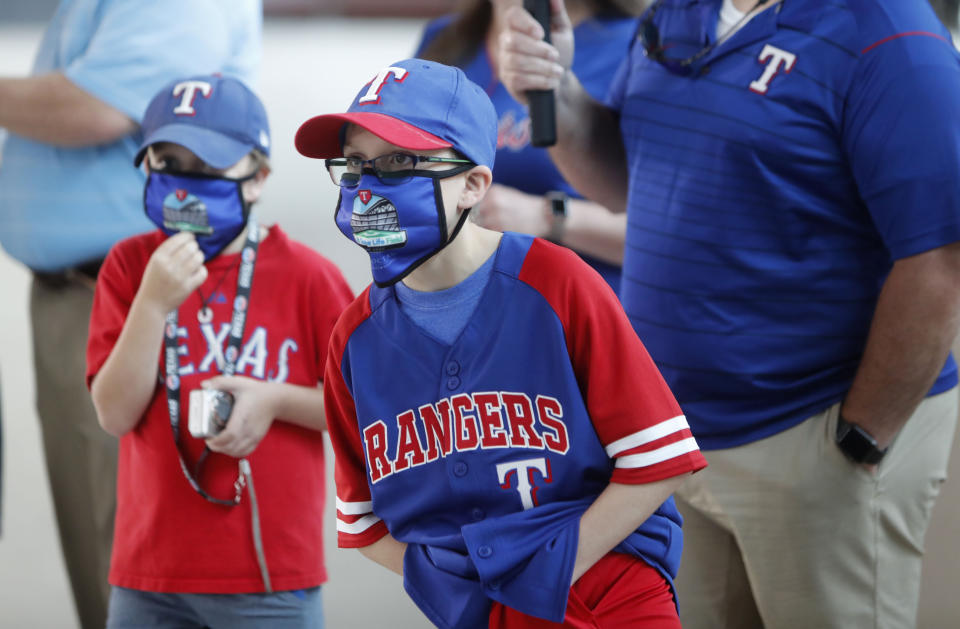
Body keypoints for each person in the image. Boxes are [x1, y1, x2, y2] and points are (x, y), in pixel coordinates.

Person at [495, 0, 960, 627]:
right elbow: (629, 181)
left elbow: (941, 253)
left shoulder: (888, 31)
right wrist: (557, 91)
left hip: (810, 426)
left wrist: (859, 436)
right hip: (675, 436)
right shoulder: (680, 13)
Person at [294, 58, 707, 628]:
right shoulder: (354, 338)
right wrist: (453, 589)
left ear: (472, 184)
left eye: (398, 163)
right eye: (356, 165)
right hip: (486, 613)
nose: (368, 188)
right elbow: (363, 523)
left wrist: (554, 569)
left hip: (610, 591)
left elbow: (658, 460)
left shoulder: (558, 282)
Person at [0, 2, 261, 627]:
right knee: (104, 561)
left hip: (137, 296)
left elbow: (96, 106)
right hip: (85, 291)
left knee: (134, 569)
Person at [85, 74, 353, 628]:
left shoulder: (309, 277)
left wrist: (275, 400)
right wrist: (152, 306)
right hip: (149, 577)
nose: (183, 186)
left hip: (270, 580)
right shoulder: (130, 267)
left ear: (257, 178)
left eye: (206, 169)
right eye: (167, 163)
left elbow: (361, 408)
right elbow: (113, 414)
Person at [415, 0, 643, 294]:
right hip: (462, 301)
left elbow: (670, 232)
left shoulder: (634, 44)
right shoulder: (444, 39)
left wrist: (548, 217)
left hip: (574, 304)